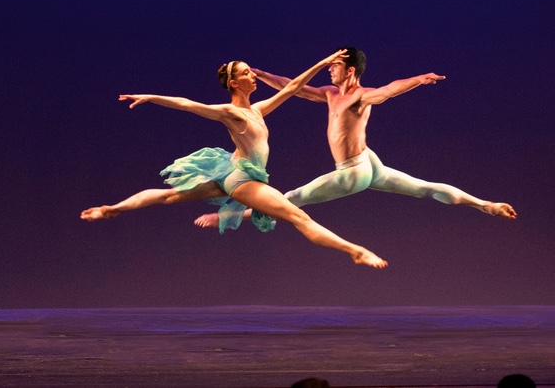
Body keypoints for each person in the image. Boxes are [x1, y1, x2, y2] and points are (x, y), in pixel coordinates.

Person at [80, 50, 387, 269]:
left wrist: (319, 64)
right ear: (234, 84)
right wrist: (150, 97)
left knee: (169, 196)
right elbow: (188, 104)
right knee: (299, 218)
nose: (252, 75)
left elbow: (292, 88)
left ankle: (111, 209)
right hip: (242, 179)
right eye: (245, 73)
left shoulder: (258, 109)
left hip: (232, 170)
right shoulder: (230, 112)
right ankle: (355, 251)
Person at [195, 47, 516, 231]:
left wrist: (418, 79)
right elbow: (293, 87)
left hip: (353, 171)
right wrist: (262, 74)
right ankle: (485, 205)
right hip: (370, 162)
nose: (330, 71)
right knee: (425, 188)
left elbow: (388, 90)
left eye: (335, 66)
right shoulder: (330, 94)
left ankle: (230, 216)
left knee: (292, 198)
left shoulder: (361, 96)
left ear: (349, 70)